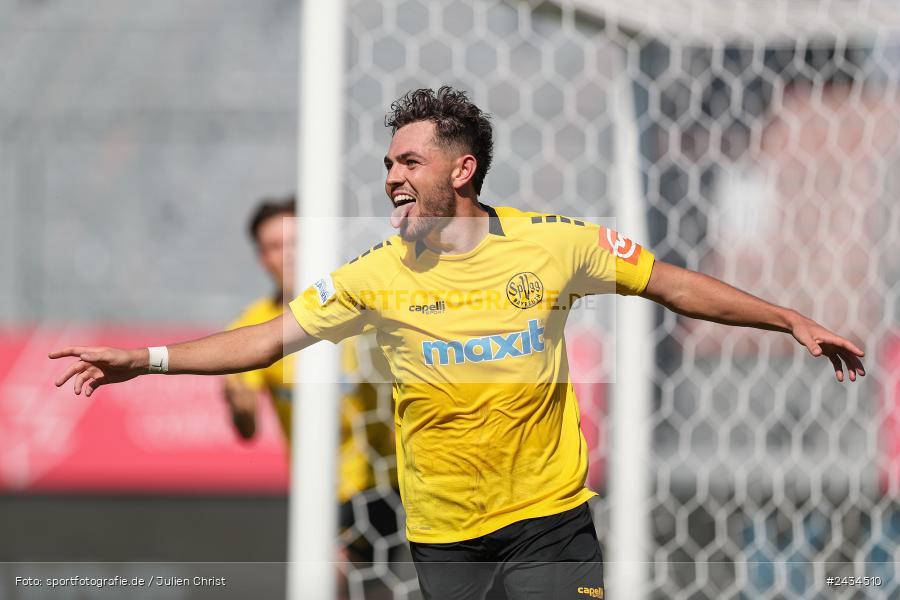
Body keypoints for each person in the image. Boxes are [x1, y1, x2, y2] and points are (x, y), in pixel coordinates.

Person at [50, 87, 865, 600]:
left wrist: (788, 317)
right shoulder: (375, 274)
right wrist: (145, 361)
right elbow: (267, 340)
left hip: (549, 522)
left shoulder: (558, 245)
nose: (391, 177)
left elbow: (673, 284)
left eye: (409, 160)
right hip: (443, 537)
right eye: (386, 163)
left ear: (463, 170)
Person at [221, 197, 399, 584]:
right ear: (261, 259)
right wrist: (237, 402)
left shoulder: (355, 305)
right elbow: (247, 429)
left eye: (294, 242)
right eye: (273, 246)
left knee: (333, 579)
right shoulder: (254, 327)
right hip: (316, 491)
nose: (286, 256)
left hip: (379, 481)